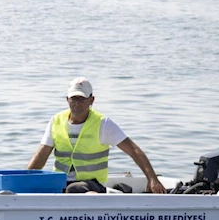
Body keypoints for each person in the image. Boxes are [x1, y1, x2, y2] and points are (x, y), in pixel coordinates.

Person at [27, 77, 166, 194]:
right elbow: (41, 156)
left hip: (93, 185)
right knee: (42, 187)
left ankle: (95, 199)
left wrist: (152, 178)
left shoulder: (104, 124)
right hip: (61, 183)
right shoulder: (55, 121)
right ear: (67, 100)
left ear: (91, 100)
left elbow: (134, 150)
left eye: (82, 99)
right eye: (73, 98)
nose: (77, 103)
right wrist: (23, 180)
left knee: (75, 189)